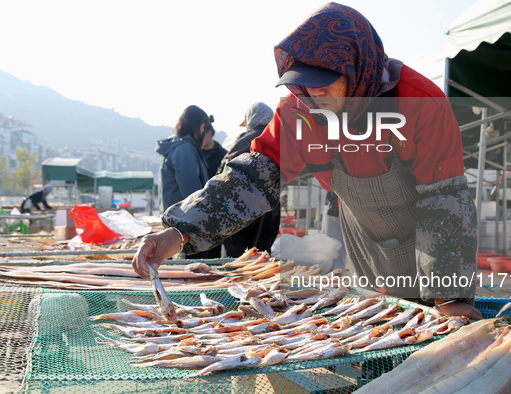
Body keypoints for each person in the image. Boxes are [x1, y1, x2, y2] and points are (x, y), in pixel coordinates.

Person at [134, 3, 480, 319]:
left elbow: (443, 202)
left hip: (427, 236)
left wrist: (450, 297)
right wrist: (180, 232)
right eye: (305, 85)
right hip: (365, 242)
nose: (315, 96)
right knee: (381, 328)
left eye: (325, 84)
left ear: (357, 68)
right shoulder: (301, 112)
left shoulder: (419, 103)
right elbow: (249, 180)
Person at [217, 102, 281, 257]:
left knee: (234, 261)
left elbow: (221, 174)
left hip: (236, 210)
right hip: (267, 213)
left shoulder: (240, 142)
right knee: (261, 261)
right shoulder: (278, 139)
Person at [155, 105, 214, 259]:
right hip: (185, 227)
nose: (203, 131)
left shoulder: (179, 147)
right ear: (195, 125)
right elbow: (191, 193)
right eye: (202, 126)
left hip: (178, 223)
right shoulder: (184, 150)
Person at [201, 124, 227, 258]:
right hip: (196, 212)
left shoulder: (224, 155)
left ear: (209, 133)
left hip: (216, 214)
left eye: (201, 133)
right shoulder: (194, 153)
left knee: (213, 256)